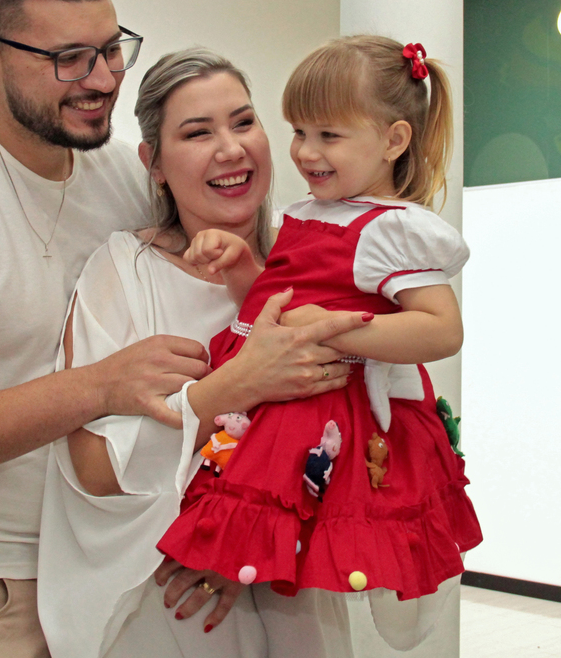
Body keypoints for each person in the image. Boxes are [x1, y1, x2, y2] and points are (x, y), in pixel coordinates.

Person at [0, 0, 367, 657]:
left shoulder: (119, 176)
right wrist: (97, 389)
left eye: (112, 49)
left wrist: (242, 535)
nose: (101, 78)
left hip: (115, 571)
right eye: (67, 60)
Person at [157, 36, 484, 649]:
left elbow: (441, 328)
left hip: (319, 403)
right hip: (271, 382)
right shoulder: (309, 211)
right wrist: (241, 266)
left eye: (329, 135)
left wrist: (340, 331)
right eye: (300, 131)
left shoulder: (391, 227)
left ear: (394, 140)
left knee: (306, 568)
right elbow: (277, 299)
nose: (307, 151)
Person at [38, 49, 357, 658]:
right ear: (153, 163)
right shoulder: (124, 272)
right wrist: (239, 384)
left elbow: (355, 435)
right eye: (197, 133)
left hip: (298, 590)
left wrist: (253, 545)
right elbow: (97, 467)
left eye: (243, 123)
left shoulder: (320, 261)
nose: (231, 149)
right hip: (171, 603)